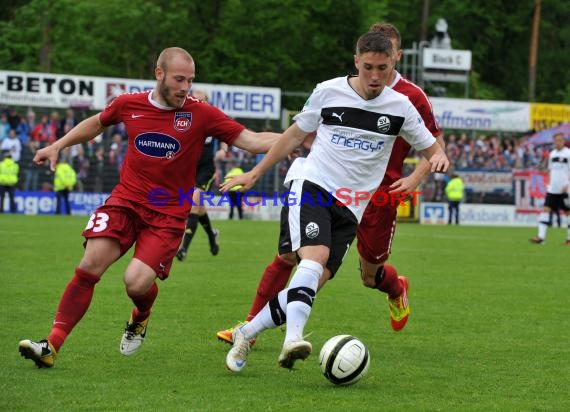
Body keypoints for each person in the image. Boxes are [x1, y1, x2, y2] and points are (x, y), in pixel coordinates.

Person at [17, 46, 280, 369]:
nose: (185, 87)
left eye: (190, 80)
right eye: (179, 79)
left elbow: (251, 141)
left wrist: (299, 137)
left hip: (168, 213)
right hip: (125, 201)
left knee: (135, 283)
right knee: (89, 266)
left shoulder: (201, 114)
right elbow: (97, 123)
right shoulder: (130, 104)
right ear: (159, 74)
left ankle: (141, 315)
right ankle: (51, 346)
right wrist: (57, 145)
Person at [222, 31, 449, 373]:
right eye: (368, 67)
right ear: (356, 61)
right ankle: (292, 340)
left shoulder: (402, 105)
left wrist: (431, 165)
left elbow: (433, 148)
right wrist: (254, 174)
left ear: (394, 63)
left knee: (311, 283)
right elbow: (294, 136)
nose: (375, 76)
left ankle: (247, 332)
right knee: (312, 260)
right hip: (313, 184)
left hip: (353, 206)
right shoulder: (328, 91)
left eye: (382, 69)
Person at [176, 90, 225, 262]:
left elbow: (225, 134)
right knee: (200, 210)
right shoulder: (184, 117)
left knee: (193, 205)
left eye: (201, 100)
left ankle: (183, 249)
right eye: (194, 99)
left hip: (206, 169)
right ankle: (212, 236)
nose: (197, 102)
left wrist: (223, 150)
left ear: (207, 102)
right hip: (188, 170)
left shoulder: (212, 117)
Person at [530, 132, 570, 245]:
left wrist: (567, 185)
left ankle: (569, 239)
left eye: (560, 140)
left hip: (565, 189)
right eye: (556, 140)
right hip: (552, 189)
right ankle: (541, 237)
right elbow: (550, 170)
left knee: (568, 213)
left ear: (563, 141)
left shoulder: (568, 153)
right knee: (546, 209)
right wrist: (549, 183)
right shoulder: (552, 154)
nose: (558, 142)